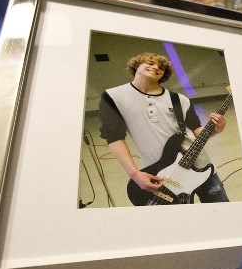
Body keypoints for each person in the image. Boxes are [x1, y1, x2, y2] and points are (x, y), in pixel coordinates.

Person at [98, 52, 229, 204]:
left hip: (201, 166)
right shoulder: (113, 97)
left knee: (221, 209)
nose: (156, 67)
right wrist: (134, 174)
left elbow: (196, 130)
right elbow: (114, 137)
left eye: (161, 67)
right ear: (137, 65)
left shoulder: (180, 100)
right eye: (150, 63)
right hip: (159, 173)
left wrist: (216, 130)